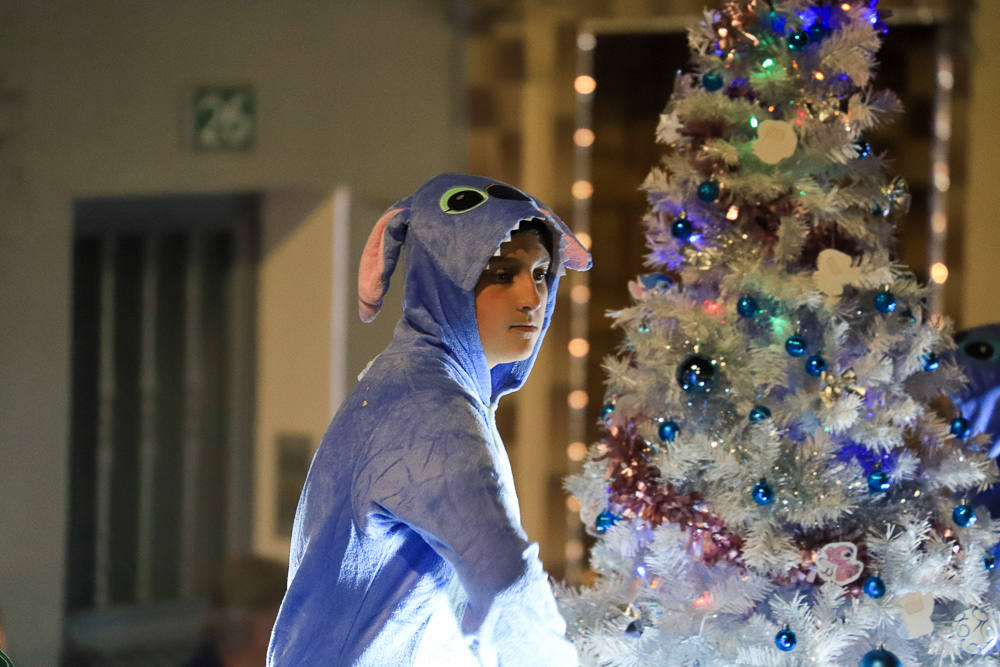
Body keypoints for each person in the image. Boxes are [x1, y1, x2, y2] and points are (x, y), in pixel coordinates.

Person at [267, 174, 591, 666]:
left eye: (542, 273)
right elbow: (505, 577)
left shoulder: (415, 383)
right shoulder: (429, 408)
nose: (532, 296)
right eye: (502, 273)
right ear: (445, 278)